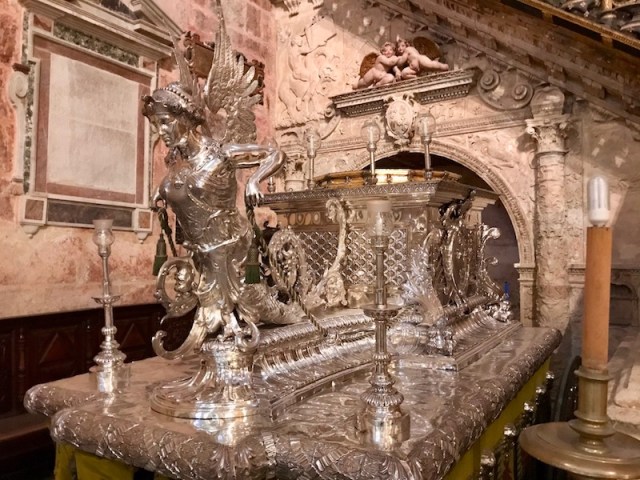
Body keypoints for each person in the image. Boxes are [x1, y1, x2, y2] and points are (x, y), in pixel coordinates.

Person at [142, 81, 283, 350]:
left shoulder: (220, 153)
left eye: (165, 122)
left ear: (184, 118)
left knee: (237, 310)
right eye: (156, 125)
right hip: (200, 254)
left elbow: (274, 154)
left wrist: (254, 181)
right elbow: (179, 185)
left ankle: (234, 336)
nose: (161, 132)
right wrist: (160, 193)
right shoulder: (176, 160)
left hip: (231, 249)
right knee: (208, 305)